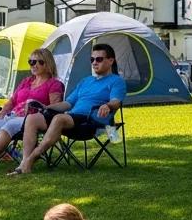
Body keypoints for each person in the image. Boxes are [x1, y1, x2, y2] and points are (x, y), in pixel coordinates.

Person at [11, 42, 126, 175]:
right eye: (92, 59)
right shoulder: (86, 81)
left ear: (111, 61)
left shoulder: (116, 81)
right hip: (72, 119)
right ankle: (23, 163)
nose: (94, 62)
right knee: (32, 118)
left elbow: (116, 101)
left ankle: (29, 160)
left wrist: (108, 105)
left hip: (90, 121)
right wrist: (46, 107)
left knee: (59, 118)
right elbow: (68, 104)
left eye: (99, 59)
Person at [0, 47, 63, 172]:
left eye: (38, 62)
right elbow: (12, 101)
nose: (34, 65)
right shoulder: (27, 81)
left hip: (31, 118)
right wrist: (2, 112)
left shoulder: (54, 84)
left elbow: (55, 106)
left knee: (9, 126)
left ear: (48, 64)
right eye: (31, 62)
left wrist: (38, 104)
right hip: (13, 115)